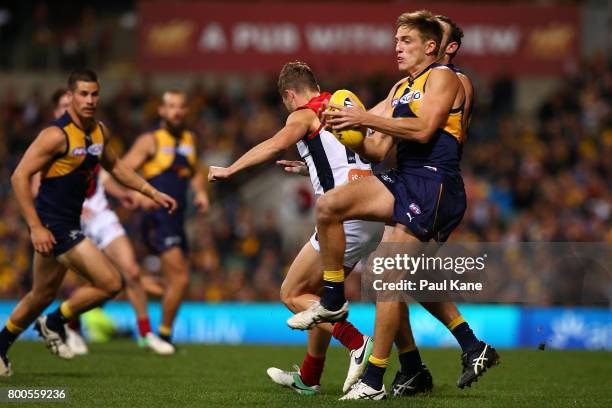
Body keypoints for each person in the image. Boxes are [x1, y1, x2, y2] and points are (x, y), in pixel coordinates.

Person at [288, 11, 498, 399]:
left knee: (387, 280)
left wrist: (364, 116)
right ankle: (333, 298)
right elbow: (376, 148)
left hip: (435, 182)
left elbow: (423, 129)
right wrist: (346, 131)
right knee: (330, 205)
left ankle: (374, 382)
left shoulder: (446, 77)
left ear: (431, 47)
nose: (396, 47)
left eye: (405, 41)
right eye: (396, 40)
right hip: (405, 179)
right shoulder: (401, 86)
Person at [208, 61, 385, 395]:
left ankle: (357, 343)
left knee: (291, 293)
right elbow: (349, 158)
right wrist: (311, 169)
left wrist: (231, 170)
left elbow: (275, 144)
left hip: (343, 215)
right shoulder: (344, 103)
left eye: (285, 103)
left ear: (290, 95)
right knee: (318, 297)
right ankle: (309, 377)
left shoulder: (304, 113)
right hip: (371, 210)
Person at [0, 69, 176, 377]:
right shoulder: (55, 135)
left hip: (67, 223)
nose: (90, 100)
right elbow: (18, 176)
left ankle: (2, 347)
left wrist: (151, 191)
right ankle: (54, 322)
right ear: (70, 97)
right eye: (83, 94)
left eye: (94, 94)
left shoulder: (98, 132)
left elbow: (116, 167)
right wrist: (35, 226)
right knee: (111, 282)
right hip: (54, 226)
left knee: (40, 294)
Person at [122, 90, 209, 353]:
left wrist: (201, 192)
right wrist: (139, 197)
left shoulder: (189, 139)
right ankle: (162, 336)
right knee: (181, 279)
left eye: (181, 106)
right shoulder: (150, 141)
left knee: (175, 282)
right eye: (171, 106)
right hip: (157, 218)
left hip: (178, 219)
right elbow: (122, 171)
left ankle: (129, 285)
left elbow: (193, 172)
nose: (177, 111)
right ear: (161, 111)